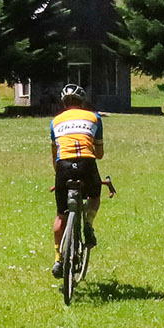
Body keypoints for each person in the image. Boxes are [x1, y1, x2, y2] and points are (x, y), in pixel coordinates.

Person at [49, 84, 104, 279]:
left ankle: (57, 258)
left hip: (63, 167)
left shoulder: (55, 122)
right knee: (95, 195)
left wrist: (60, 175)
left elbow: (55, 154)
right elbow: (99, 153)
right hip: (86, 164)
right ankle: (88, 223)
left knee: (60, 215)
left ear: (64, 103)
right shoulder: (94, 117)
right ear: (82, 102)